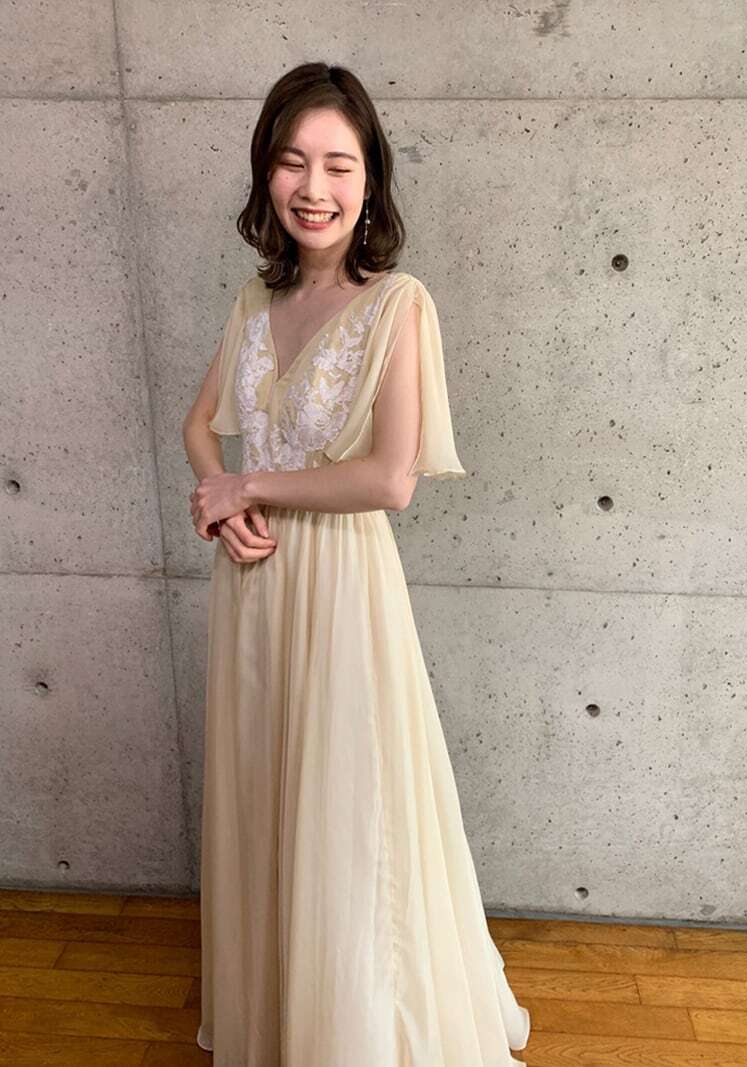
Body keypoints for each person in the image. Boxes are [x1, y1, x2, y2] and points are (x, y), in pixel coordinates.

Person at [182, 60, 531, 1067]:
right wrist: (220, 499)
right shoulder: (253, 301)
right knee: (267, 801)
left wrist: (245, 486)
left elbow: (388, 479)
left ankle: (352, 1036)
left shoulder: (397, 305)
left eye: (338, 164)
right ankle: (280, 1016)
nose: (313, 186)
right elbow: (198, 427)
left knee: (347, 814)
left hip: (341, 588)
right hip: (254, 584)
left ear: (370, 178)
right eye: (292, 161)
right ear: (266, 172)